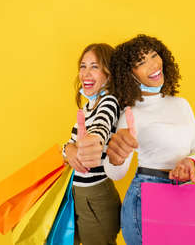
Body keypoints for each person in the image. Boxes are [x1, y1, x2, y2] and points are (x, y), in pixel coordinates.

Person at [104, 35, 195, 245]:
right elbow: (116, 173)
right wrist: (117, 156)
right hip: (146, 198)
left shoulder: (181, 105)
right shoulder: (130, 114)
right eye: (141, 62)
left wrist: (189, 162)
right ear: (129, 74)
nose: (153, 64)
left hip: (184, 193)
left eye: (154, 55)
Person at [62, 43, 121, 245]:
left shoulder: (109, 101)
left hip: (95, 197)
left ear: (109, 74)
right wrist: (68, 150)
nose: (86, 73)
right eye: (83, 66)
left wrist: (93, 140)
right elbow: (68, 147)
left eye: (94, 67)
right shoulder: (88, 106)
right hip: (77, 194)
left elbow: (101, 128)